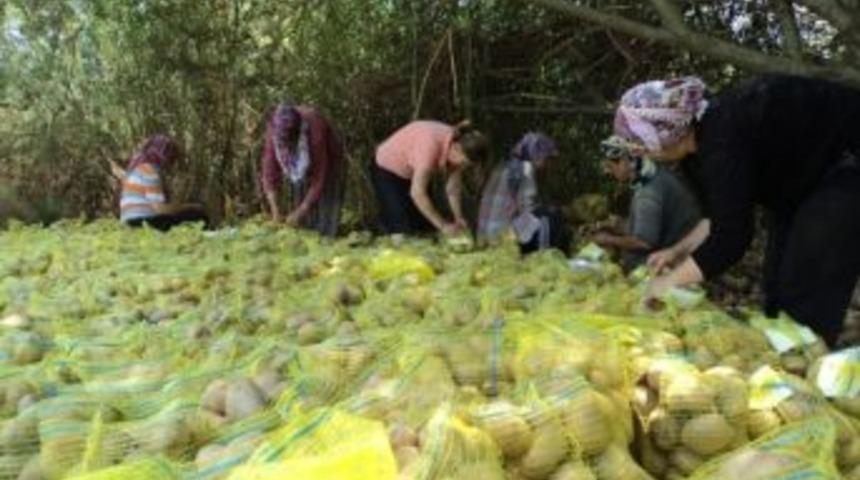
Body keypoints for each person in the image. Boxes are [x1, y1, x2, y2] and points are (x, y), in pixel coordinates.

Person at [613, 75, 860, 345]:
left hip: (845, 166)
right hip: (799, 185)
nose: (642, 154)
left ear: (666, 133)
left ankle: (807, 365)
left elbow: (732, 238)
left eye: (642, 144)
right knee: (776, 281)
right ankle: (785, 353)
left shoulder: (723, 136)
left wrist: (670, 282)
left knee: (808, 281)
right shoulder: (692, 153)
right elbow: (717, 218)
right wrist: (676, 252)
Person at [593, 135, 700, 270]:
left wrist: (607, 239)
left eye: (611, 165)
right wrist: (619, 225)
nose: (607, 171)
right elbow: (652, 226)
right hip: (681, 250)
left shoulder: (648, 193)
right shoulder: (655, 175)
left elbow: (645, 242)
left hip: (671, 263)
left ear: (629, 161)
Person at [372, 120, 489, 235]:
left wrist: (458, 217)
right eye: (463, 163)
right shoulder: (429, 147)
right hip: (387, 168)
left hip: (413, 171)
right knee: (401, 225)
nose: (462, 167)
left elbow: (453, 189)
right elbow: (417, 193)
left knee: (424, 226)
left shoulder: (458, 146)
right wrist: (443, 226)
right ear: (456, 148)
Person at [477, 132, 572, 255]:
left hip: (485, 235)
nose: (550, 165)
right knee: (548, 219)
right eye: (548, 159)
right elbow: (529, 210)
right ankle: (544, 254)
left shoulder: (503, 166)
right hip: (503, 237)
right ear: (538, 155)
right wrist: (559, 213)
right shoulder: (526, 169)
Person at [260, 102, 345, 237]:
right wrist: (274, 209)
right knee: (303, 221)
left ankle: (327, 239)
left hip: (329, 162)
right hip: (300, 167)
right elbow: (269, 169)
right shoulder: (275, 129)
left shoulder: (315, 130)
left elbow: (319, 176)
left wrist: (301, 210)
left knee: (325, 213)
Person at [120, 135, 210, 231]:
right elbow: (161, 209)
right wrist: (189, 206)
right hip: (143, 222)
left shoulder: (135, 170)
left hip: (129, 222)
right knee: (197, 215)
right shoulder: (149, 170)